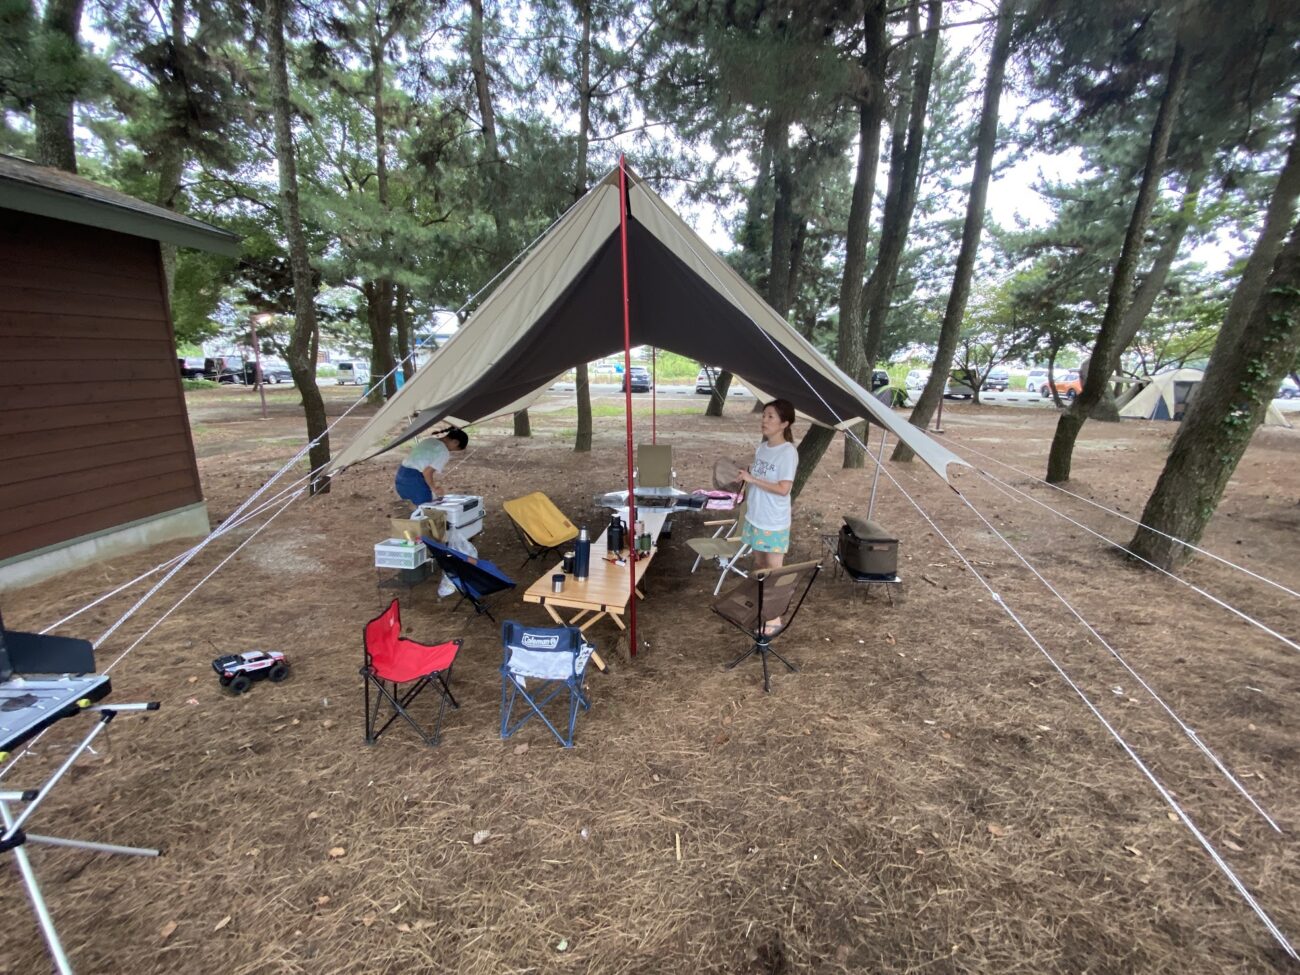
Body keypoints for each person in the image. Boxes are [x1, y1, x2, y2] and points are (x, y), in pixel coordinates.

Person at [737, 399, 797, 635]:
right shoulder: (762, 448)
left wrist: (753, 480)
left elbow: (784, 488)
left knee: (774, 571)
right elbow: (760, 477)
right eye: (764, 415)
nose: (764, 420)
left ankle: (774, 619)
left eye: (771, 416)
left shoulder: (788, 452)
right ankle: (762, 609)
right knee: (760, 566)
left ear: (784, 423)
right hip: (756, 517)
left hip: (774, 521)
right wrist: (746, 476)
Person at [395, 427, 468, 506]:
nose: (450, 451)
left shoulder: (428, 440)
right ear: (455, 442)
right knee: (425, 510)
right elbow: (427, 472)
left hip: (401, 475)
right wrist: (434, 489)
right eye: (454, 449)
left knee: (411, 508)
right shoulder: (443, 451)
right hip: (414, 479)